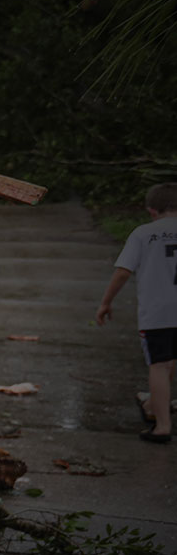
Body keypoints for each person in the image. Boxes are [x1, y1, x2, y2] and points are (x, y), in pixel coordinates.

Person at [96, 183, 177, 443]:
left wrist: (106, 302)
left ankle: (162, 425)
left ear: (152, 210)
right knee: (171, 360)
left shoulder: (144, 234)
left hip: (159, 312)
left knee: (159, 365)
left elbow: (123, 271)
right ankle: (154, 404)